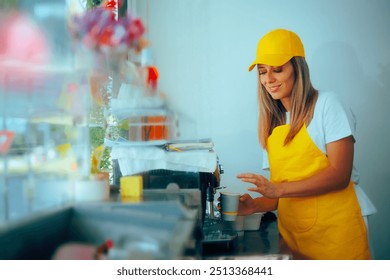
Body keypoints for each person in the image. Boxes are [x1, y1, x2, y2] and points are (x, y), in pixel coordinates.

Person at [237, 28, 373, 260]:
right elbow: (279, 193)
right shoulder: (272, 124)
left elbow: (340, 175)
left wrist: (277, 189)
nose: (268, 79)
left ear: (297, 69)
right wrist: (255, 206)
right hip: (294, 234)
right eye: (262, 72)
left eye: (277, 70)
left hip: (337, 230)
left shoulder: (327, 105)